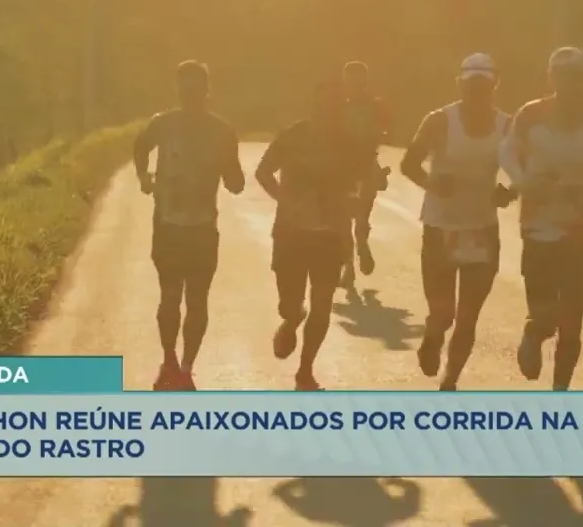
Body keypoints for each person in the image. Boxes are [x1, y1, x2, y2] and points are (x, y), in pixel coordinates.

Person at [498, 46, 583, 391]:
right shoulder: (529, 115)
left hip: (581, 227)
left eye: (576, 79)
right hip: (538, 226)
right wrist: (523, 182)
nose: (569, 86)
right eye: (561, 78)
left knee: (571, 323)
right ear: (551, 78)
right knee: (544, 315)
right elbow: (507, 151)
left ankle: (560, 397)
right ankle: (533, 331)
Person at [400, 53, 516, 391]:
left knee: (467, 317)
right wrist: (432, 184)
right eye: (471, 86)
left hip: (482, 228)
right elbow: (409, 164)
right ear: (460, 85)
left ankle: (450, 380)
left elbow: (522, 171)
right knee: (444, 313)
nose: (477, 94)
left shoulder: (507, 126)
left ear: (494, 86)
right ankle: (433, 335)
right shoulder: (438, 121)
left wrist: (508, 192)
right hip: (441, 227)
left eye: (484, 87)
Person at [133, 60, 245, 391]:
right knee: (171, 297)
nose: (191, 95)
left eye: (196, 89)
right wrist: (143, 175)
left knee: (195, 300)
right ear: (179, 91)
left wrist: (232, 177)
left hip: (201, 227)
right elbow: (140, 147)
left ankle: (185, 367)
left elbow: (234, 179)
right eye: (186, 89)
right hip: (168, 224)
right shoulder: (162, 124)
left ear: (206, 92)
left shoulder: (222, 131)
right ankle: (170, 359)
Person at [256, 80, 371, 391]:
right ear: (312, 107)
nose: (327, 112)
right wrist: (286, 201)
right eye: (321, 106)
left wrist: (358, 213)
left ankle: (305, 371)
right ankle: (291, 321)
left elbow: (364, 181)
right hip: (291, 234)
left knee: (322, 305)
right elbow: (263, 172)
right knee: (290, 306)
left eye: (333, 107)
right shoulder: (293, 135)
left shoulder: (349, 142)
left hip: (330, 236)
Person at [340, 61, 391, 289]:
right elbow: (383, 132)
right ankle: (360, 244)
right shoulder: (375, 105)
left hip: (344, 167)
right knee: (361, 217)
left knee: (342, 220)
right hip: (367, 164)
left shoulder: (338, 105)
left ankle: (348, 269)